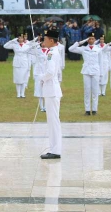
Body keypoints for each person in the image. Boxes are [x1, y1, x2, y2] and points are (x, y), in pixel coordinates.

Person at [69, 33, 108, 115]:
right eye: (89, 39)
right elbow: (70, 49)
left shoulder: (98, 49)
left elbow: (100, 62)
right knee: (87, 91)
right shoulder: (83, 49)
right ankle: (87, 110)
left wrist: (101, 74)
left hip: (96, 71)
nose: (91, 40)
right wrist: (80, 42)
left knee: (95, 91)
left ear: (94, 40)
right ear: (87, 40)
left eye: (92, 39)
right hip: (86, 71)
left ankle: (94, 110)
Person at [40, 28, 63, 159]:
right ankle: (54, 148)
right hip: (51, 90)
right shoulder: (53, 52)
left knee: (53, 121)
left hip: (51, 90)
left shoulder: (51, 54)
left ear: (51, 40)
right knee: (52, 120)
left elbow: (50, 72)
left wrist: (42, 78)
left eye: (45, 39)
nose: (44, 41)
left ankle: (55, 150)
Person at [31, 36, 48, 111]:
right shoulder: (37, 50)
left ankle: (47, 106)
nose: (43, 44)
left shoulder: (49, 51)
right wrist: (36, 44)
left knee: (47, 89)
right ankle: (41, 106)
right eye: (42, 42)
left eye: (44, 42)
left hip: (46, 71)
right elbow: (28, 49)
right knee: (39, 89)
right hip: (38, 72)